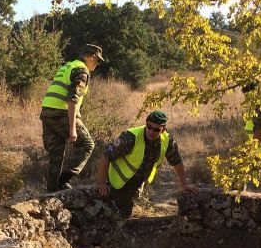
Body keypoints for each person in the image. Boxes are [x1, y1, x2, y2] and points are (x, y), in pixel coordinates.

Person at [96, 110, 197, 218]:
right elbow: (106, 156)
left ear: (163, 129)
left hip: (136, 183)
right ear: (146, 123)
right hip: (117, 181)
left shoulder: (167, 140)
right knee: (122, 212)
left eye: (156, 129)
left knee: (123, 213)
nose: (151, 131)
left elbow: (176, 161)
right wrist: (101, 183)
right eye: (149, 127)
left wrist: (184, 184)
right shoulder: (130, 138)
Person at [40, 44, 104, 192]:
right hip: (61, 113)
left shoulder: (68, 66)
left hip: (47, 113)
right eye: (97, 60)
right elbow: (72, 99)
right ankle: (63, 180)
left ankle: (51, 194)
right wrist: (72, 128)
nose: (97, 64)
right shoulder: (82, 71)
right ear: (91, 57)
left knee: (55, 158)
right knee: (88, 144)